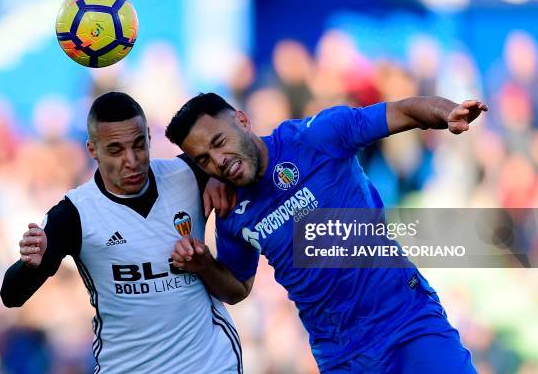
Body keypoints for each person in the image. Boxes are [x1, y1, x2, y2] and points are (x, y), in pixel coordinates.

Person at [165, 92, 488, 373]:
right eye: (204, 159)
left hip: (408, 323)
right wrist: (204, 264)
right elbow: (238, 288)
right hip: (342, 356)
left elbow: (403, 111)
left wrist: (447, 112)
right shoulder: (230, 214)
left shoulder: (318, 136)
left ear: (243, 121)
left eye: (220, 142)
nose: (219, 161)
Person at [0, 92, 242, 374]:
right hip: (128, 366)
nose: (132, 160)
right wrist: (32, 266)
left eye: (139, 145)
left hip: (210, 364)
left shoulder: (189, 175)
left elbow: (246, 157)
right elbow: (11, 296)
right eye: (115, 150)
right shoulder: (74, 214)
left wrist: (219, 174)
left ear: (150, 137)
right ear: (93, 150)